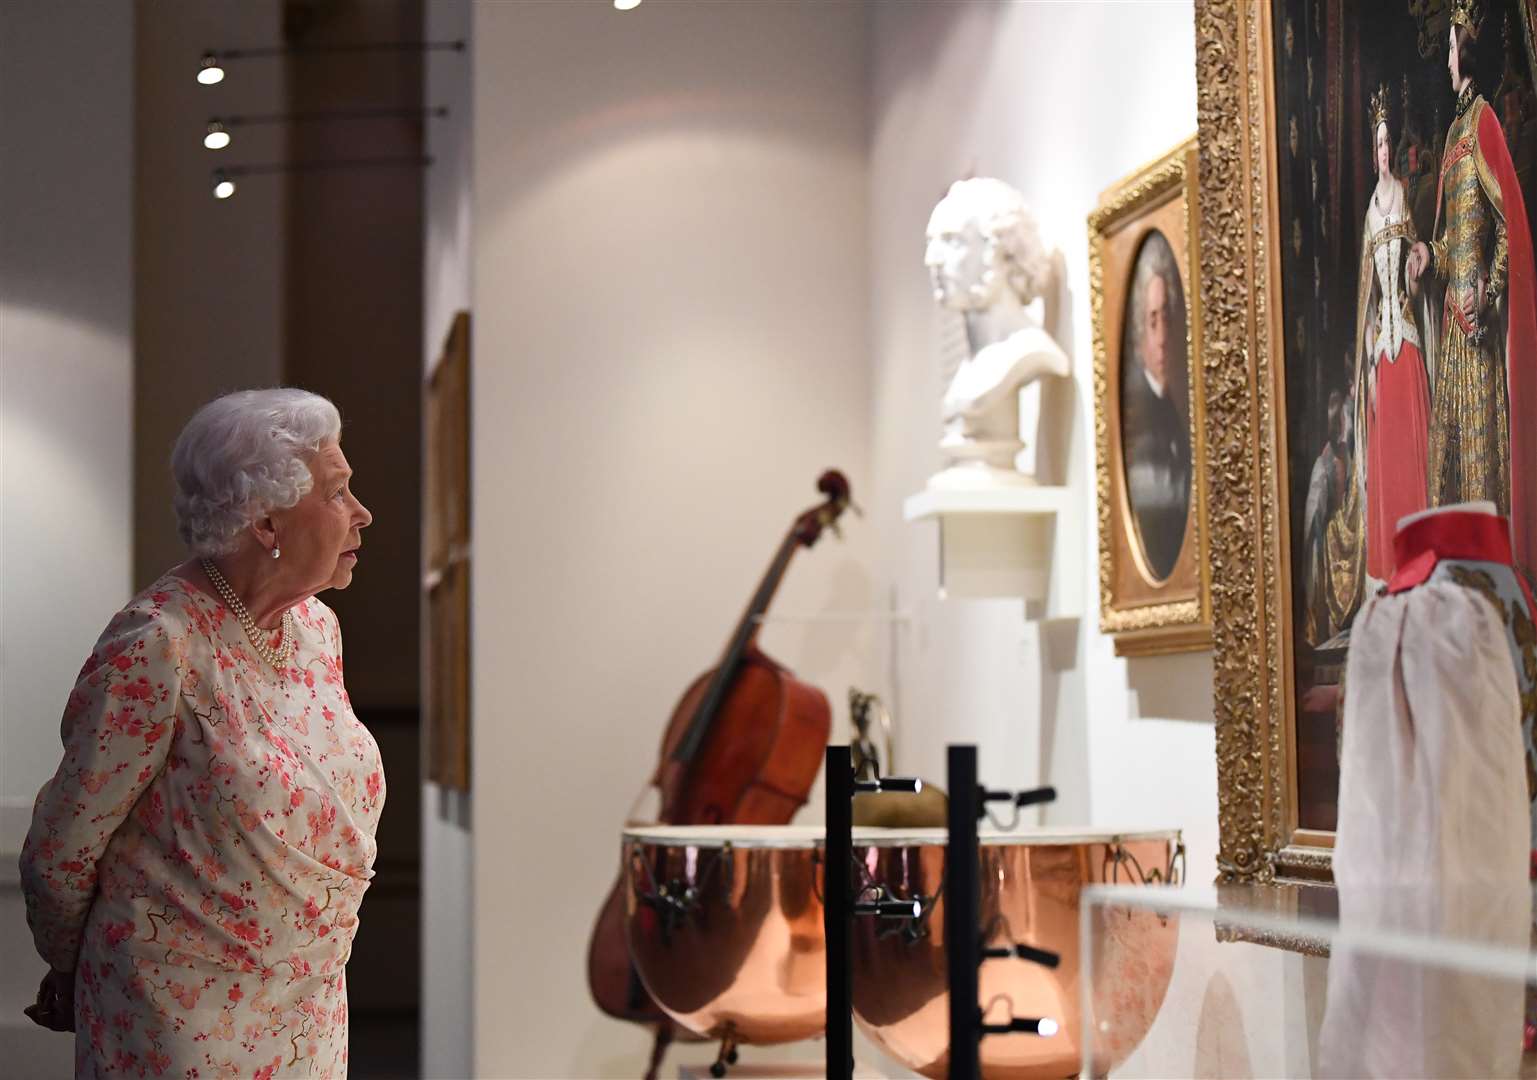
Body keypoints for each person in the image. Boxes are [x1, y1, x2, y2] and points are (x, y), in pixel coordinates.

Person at [18, 388, 380, 1078]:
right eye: (337, 494)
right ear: (267, 524)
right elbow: (61, 852)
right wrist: (80, 969)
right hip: (180, 1019)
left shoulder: (315, 630)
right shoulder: (158, 644)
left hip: (309, 1010)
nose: (362, 515)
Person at [1407, 0, 1537, 584]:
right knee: (1452, 462)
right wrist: (1426, 255)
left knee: (1482, 459)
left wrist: (1489, 289)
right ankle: (1457, 582)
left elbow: (1507, 219)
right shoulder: (1454, 129)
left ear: (1466, 50)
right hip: (1451, 328)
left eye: (1453, 44)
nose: (1447, 55)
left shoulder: (1482, 118)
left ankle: (1493, 585)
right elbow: (1443, 240)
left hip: (1477, 325)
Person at [923, 176, 1069, 486]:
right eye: (932, 243)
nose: (932, 259)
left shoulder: (1031, 352)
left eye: (951, 241)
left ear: (1001, 249)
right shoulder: (969, 372)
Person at [1120, 231, 1191, 581]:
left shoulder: (1176, 411)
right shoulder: (1142, 428)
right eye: (1152, 322)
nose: (1162, 338)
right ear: (1139, 337)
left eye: (1167, 318)